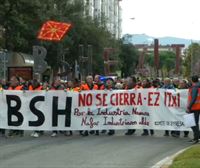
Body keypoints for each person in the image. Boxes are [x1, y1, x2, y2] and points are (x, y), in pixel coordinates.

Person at [187, 75, 200, 144]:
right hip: (197, 107)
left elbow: (193, 98)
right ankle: (197, 136)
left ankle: (196, 138)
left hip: (194, 107)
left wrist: (189, 107)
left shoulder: (195, 87)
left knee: (193, 123)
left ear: (192, 80)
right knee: (195, 123)